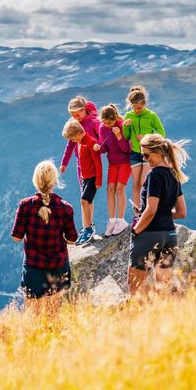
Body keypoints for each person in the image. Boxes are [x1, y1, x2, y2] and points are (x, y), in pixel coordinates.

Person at [11, 160, 78, 316]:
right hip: (57, 267)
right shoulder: (65, 208)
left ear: (36, 181)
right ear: (54, 181)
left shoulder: (25, 206)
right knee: (52, 316)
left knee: (33, 317)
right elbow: (72, 239)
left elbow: (16, 237)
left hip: (33, 267)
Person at [128, 134, 189, 298]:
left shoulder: (154, 175)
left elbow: (151, 210)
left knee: (135, 286)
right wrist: (156, 214)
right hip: (170, 235)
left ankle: (138, 320)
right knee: (163, 288)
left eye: (147, 155)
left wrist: (136, 230)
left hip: (150, 234)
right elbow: (182, 213)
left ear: (158, 152)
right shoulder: (174, 175)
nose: (145, 159)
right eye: (143, 156)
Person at [59, 96, 101, 232]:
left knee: (87, 198)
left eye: (78, 114)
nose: (76, 118)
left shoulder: (93, 122)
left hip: (91, 164)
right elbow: (70, 146)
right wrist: (64, 163)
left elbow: (101, 138)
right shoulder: (74, 125)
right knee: (84, 196)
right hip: (80, 165)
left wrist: (98, 146)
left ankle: (88, 226)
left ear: (84, 110)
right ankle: (86, 225)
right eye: (73, 116)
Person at [122, 86, 166, 208]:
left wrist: (147, 138)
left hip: (148, 153)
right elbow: (126, 137)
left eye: (139, 108)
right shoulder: (129, 115)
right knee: (135, 185)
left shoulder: (152, 116)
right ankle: (137, 213)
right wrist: (125, 126)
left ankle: (146, 210)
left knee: (144, 182)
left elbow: (162, 133)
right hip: (135, 153)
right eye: (134, 108)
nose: (136, 111)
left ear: (144, 103)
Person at [93, 104, 131, 237]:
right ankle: (112, 220)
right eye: (105, 122)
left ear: (115, 118)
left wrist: (119, 136)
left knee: (120, 189)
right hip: (113, 163)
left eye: (110, 122)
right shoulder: (102, 127)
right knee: (110, 189)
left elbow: (127, 149)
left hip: (125, 162)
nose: (107, 125)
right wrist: (99, 147)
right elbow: (104, 148)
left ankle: (121, 220)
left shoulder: (122, 125)